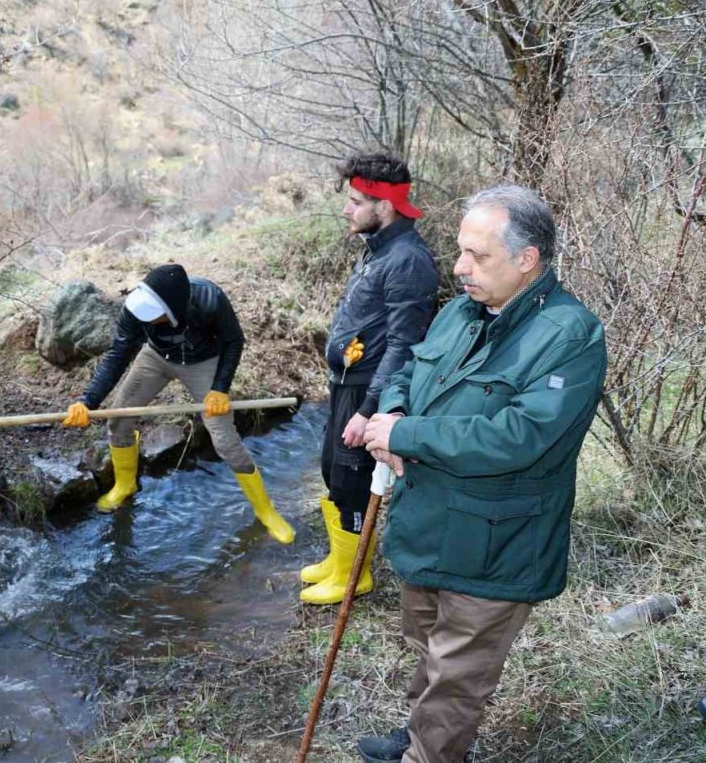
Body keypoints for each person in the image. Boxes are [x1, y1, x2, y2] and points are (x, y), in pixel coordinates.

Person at [356, 186, 607, 763]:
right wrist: (393, 410)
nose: (461, 268)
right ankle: (422, 735)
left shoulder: (569, 335)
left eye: (479, 256)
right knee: (425, 646)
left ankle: (433, 753)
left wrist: (407, 436)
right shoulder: (459, 310)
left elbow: (521, 436)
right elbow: (412, 370)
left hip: (496, 539)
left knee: (457, 673)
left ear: (528, 259)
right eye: (461, 253)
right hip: (429, 520)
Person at [61, 263, 295, 544]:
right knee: (119, 420)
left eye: (155, 315)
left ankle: (266, 511)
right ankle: (125, 485)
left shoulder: (210, 298)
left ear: (174, 308)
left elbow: (234, 341)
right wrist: (87, 400)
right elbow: (118, 354)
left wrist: (220, 389)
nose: (148, 320)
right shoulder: (135, 308)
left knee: (225, 441)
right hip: (156, 358)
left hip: (203, 362)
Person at [302, 153, 439, 605]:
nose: (347, 209)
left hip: (367, 389)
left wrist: (368, 410)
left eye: (356, 201)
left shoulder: (407, 260)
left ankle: (354, 575)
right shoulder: (378, 249)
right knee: (333, 472)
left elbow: (404, 346)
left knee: (353, 478)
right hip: (347, 382)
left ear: (385, 205)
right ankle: (341, 561)